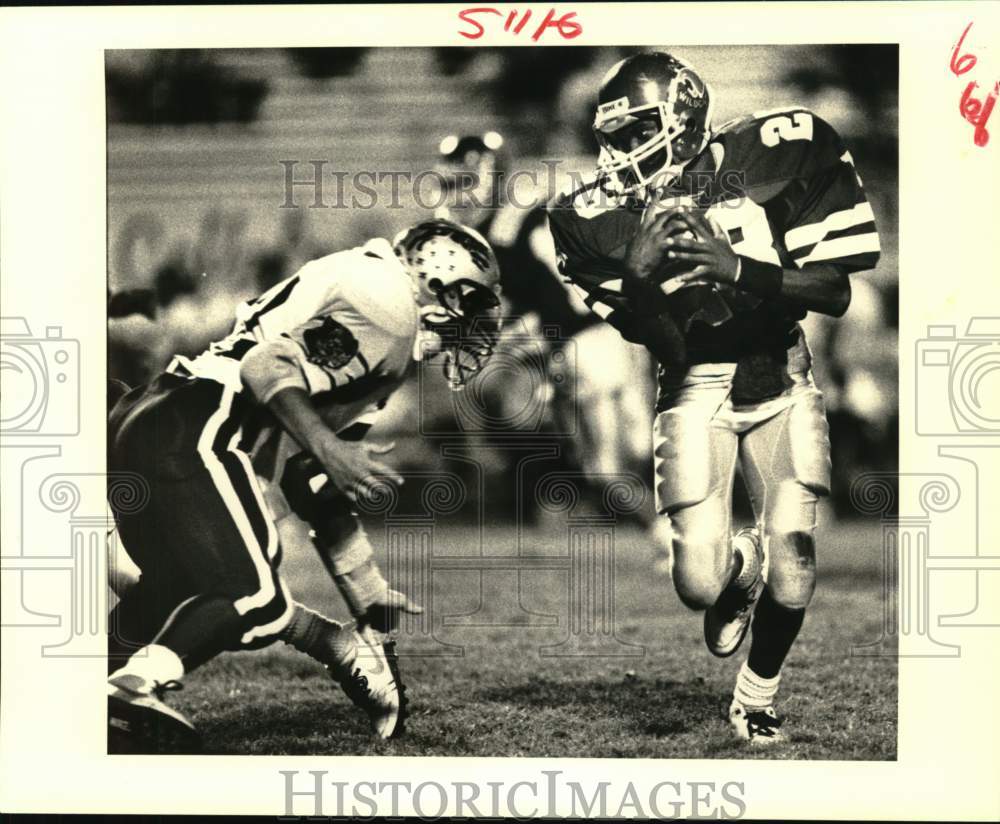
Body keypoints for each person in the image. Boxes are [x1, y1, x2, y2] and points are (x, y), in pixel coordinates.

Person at [548, 52, 881, 744]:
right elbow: (667, 348)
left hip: (780, 376)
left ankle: (756, 697)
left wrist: (736, 269)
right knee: (698, 586)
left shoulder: (776, 151)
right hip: (693, 386)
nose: (618, 154)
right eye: (611, 138)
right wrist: (640, 284)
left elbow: (835, 292)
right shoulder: (590, 219)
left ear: (680, 116)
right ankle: (738, 563)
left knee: (796, 563)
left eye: (636, 131)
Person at [107, 219, 503, 752]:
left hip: (154, 419)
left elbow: (310, 479)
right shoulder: (389, 308)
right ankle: (131, 689)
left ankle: (79, 690)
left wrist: (368, 600)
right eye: (467, 302)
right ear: (436, 277)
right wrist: (330, 447)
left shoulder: (373, 296)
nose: (466, 325)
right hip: (197, 424)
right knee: (252, 592)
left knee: (177, 588)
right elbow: (265, 364)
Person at [434, 132, 656, 517]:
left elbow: (555, 303)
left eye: (464, 184)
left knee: (619, 464)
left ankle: (682, 541)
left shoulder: (508, 231)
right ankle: (677, 538)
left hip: (585, 342)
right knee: (626, 459)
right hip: (597, 338)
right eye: (451, 185)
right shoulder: (513, 222)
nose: (457, 197)